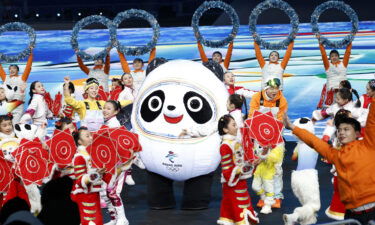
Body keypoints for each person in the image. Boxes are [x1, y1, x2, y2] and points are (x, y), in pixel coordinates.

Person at [283, 95, 375, 225]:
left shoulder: (369, 145)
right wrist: (292, 127)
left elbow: (373, 121)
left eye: (346, 129)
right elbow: (314, 141)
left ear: (358, 133)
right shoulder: (335, 155)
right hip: (351, 214)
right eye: (339, 130)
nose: (341, 132)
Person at [248, 77, 287, 208]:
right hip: (259, 138)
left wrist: (272, 138)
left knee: (276, 167)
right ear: (266, 88)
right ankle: (264, 195)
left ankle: (276, 195)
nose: (274, 91)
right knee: (261, 166)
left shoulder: (282, 100)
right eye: (271, 88)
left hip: (276, 138)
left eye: (276, 88)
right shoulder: (257, 97)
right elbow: (251, 117)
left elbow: (281, 120)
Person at [217, 114, 259, 225]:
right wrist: (242, 169)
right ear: (225, 129)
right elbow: (227, 171)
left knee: (242, 208)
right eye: (233, 125)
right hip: (232, 184)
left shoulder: (236, 143)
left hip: (240, 182)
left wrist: (252, 163)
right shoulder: (225, 146)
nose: (236, 127)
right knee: (237, 211)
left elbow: (242, 162)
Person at [283, 118, 320, 225]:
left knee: (307, 206)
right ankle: (293, 217)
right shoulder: (315, 143)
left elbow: (294, 158)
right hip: (308, 177)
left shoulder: (299, 145)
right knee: (314, 206)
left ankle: (307, 222)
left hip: (296, 177)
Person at [63, 77, 132, 132]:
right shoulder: (81, 104)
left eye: (96, 88)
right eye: (91, 88)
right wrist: (66, 85)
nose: (94, 90)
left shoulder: (102, 103)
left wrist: (134, 100)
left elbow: (118, 103)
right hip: (86, 137)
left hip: (101, 135)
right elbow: (69, 100)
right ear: (86, 90)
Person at [72, 127, 105, 225]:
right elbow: (80, 181)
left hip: (93, 194)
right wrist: (96, 175)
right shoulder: (80, 157)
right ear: (79, 141)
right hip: (84, 196)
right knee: (90, 221)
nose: (91, 138)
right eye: (87, 136)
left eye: (91, 135)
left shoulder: (93, 154)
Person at [316, 35, 353, 108]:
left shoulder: (343, 64)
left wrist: (350, 40)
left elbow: (348, 52)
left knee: (346, 109)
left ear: (339, 57)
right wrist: (320, 42)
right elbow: (323, 54)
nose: (334, 57)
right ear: (330, 58)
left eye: (336, 55)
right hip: (332, 92)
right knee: (332, 111)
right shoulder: (328, 66)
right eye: (332, 56)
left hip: (344, 92)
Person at [0, 49, 33, 124]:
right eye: (10, 69)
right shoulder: (5, 78)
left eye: (14, 68)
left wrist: (30, 55)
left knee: (15, 125)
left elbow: (28, 67)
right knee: (5, 125)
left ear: (18, 70)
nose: (11, 70)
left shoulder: (22, 78)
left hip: (18, 106)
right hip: (7, 105)